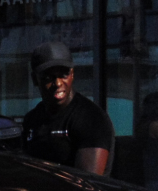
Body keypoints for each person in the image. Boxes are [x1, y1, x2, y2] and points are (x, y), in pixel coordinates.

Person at [22, 41, 113, 175]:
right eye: (48, 77)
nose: (58, 83)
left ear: (72, 74)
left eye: (63, 74)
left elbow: (87, 185)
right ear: (35, 79)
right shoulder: (32, 119)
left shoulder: (91, 119)